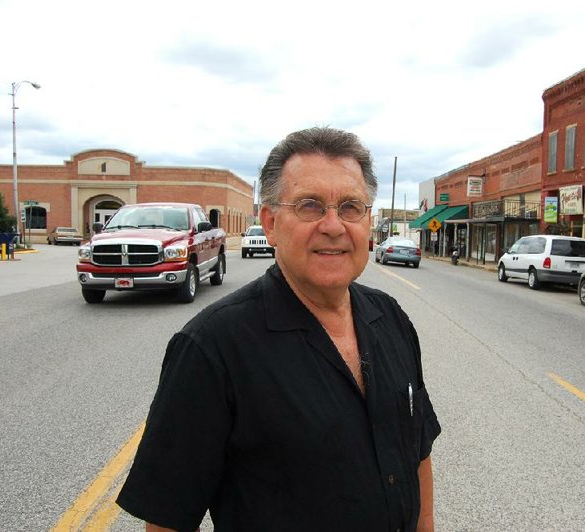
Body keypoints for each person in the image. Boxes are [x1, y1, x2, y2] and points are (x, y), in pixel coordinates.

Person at [116, 127, 441, 531]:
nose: (334, 226)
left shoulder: (391, 318)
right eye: (310, 206)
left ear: (368, 223)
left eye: (351, 207)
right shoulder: (212, 348)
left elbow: (419, 452)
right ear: (269, 223)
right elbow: (167, 519)